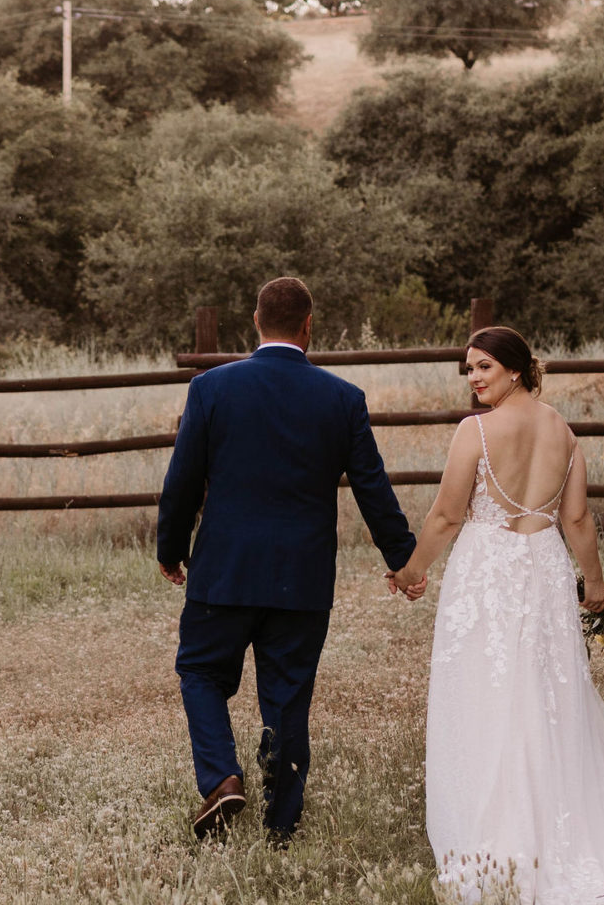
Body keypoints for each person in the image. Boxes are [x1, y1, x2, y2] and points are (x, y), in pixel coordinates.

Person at [389, 325, 604, 905]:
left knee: (490, 694)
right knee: (544, 694)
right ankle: (547, 819)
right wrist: (593, 586)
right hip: (543, 567)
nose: (474, 378)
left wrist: (413, 571)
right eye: (468, 368)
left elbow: (444, 514)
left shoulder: (476, 432)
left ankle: (497, 835)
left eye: (484, 367)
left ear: (516, 369)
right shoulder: (564, 434)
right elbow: (576, 519)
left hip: (489, 571)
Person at [157, 275, 423, 843]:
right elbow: (372, 486)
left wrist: (171, 549)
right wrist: (402, 558)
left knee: (201, 672)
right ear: (309, 327)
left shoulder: (211, 389)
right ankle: (281, 823)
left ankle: (223, 778)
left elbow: (182, 481)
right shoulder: (342, 398)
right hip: (301, 577)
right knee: (288, 693)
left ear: (256, 321)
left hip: (224, 570)